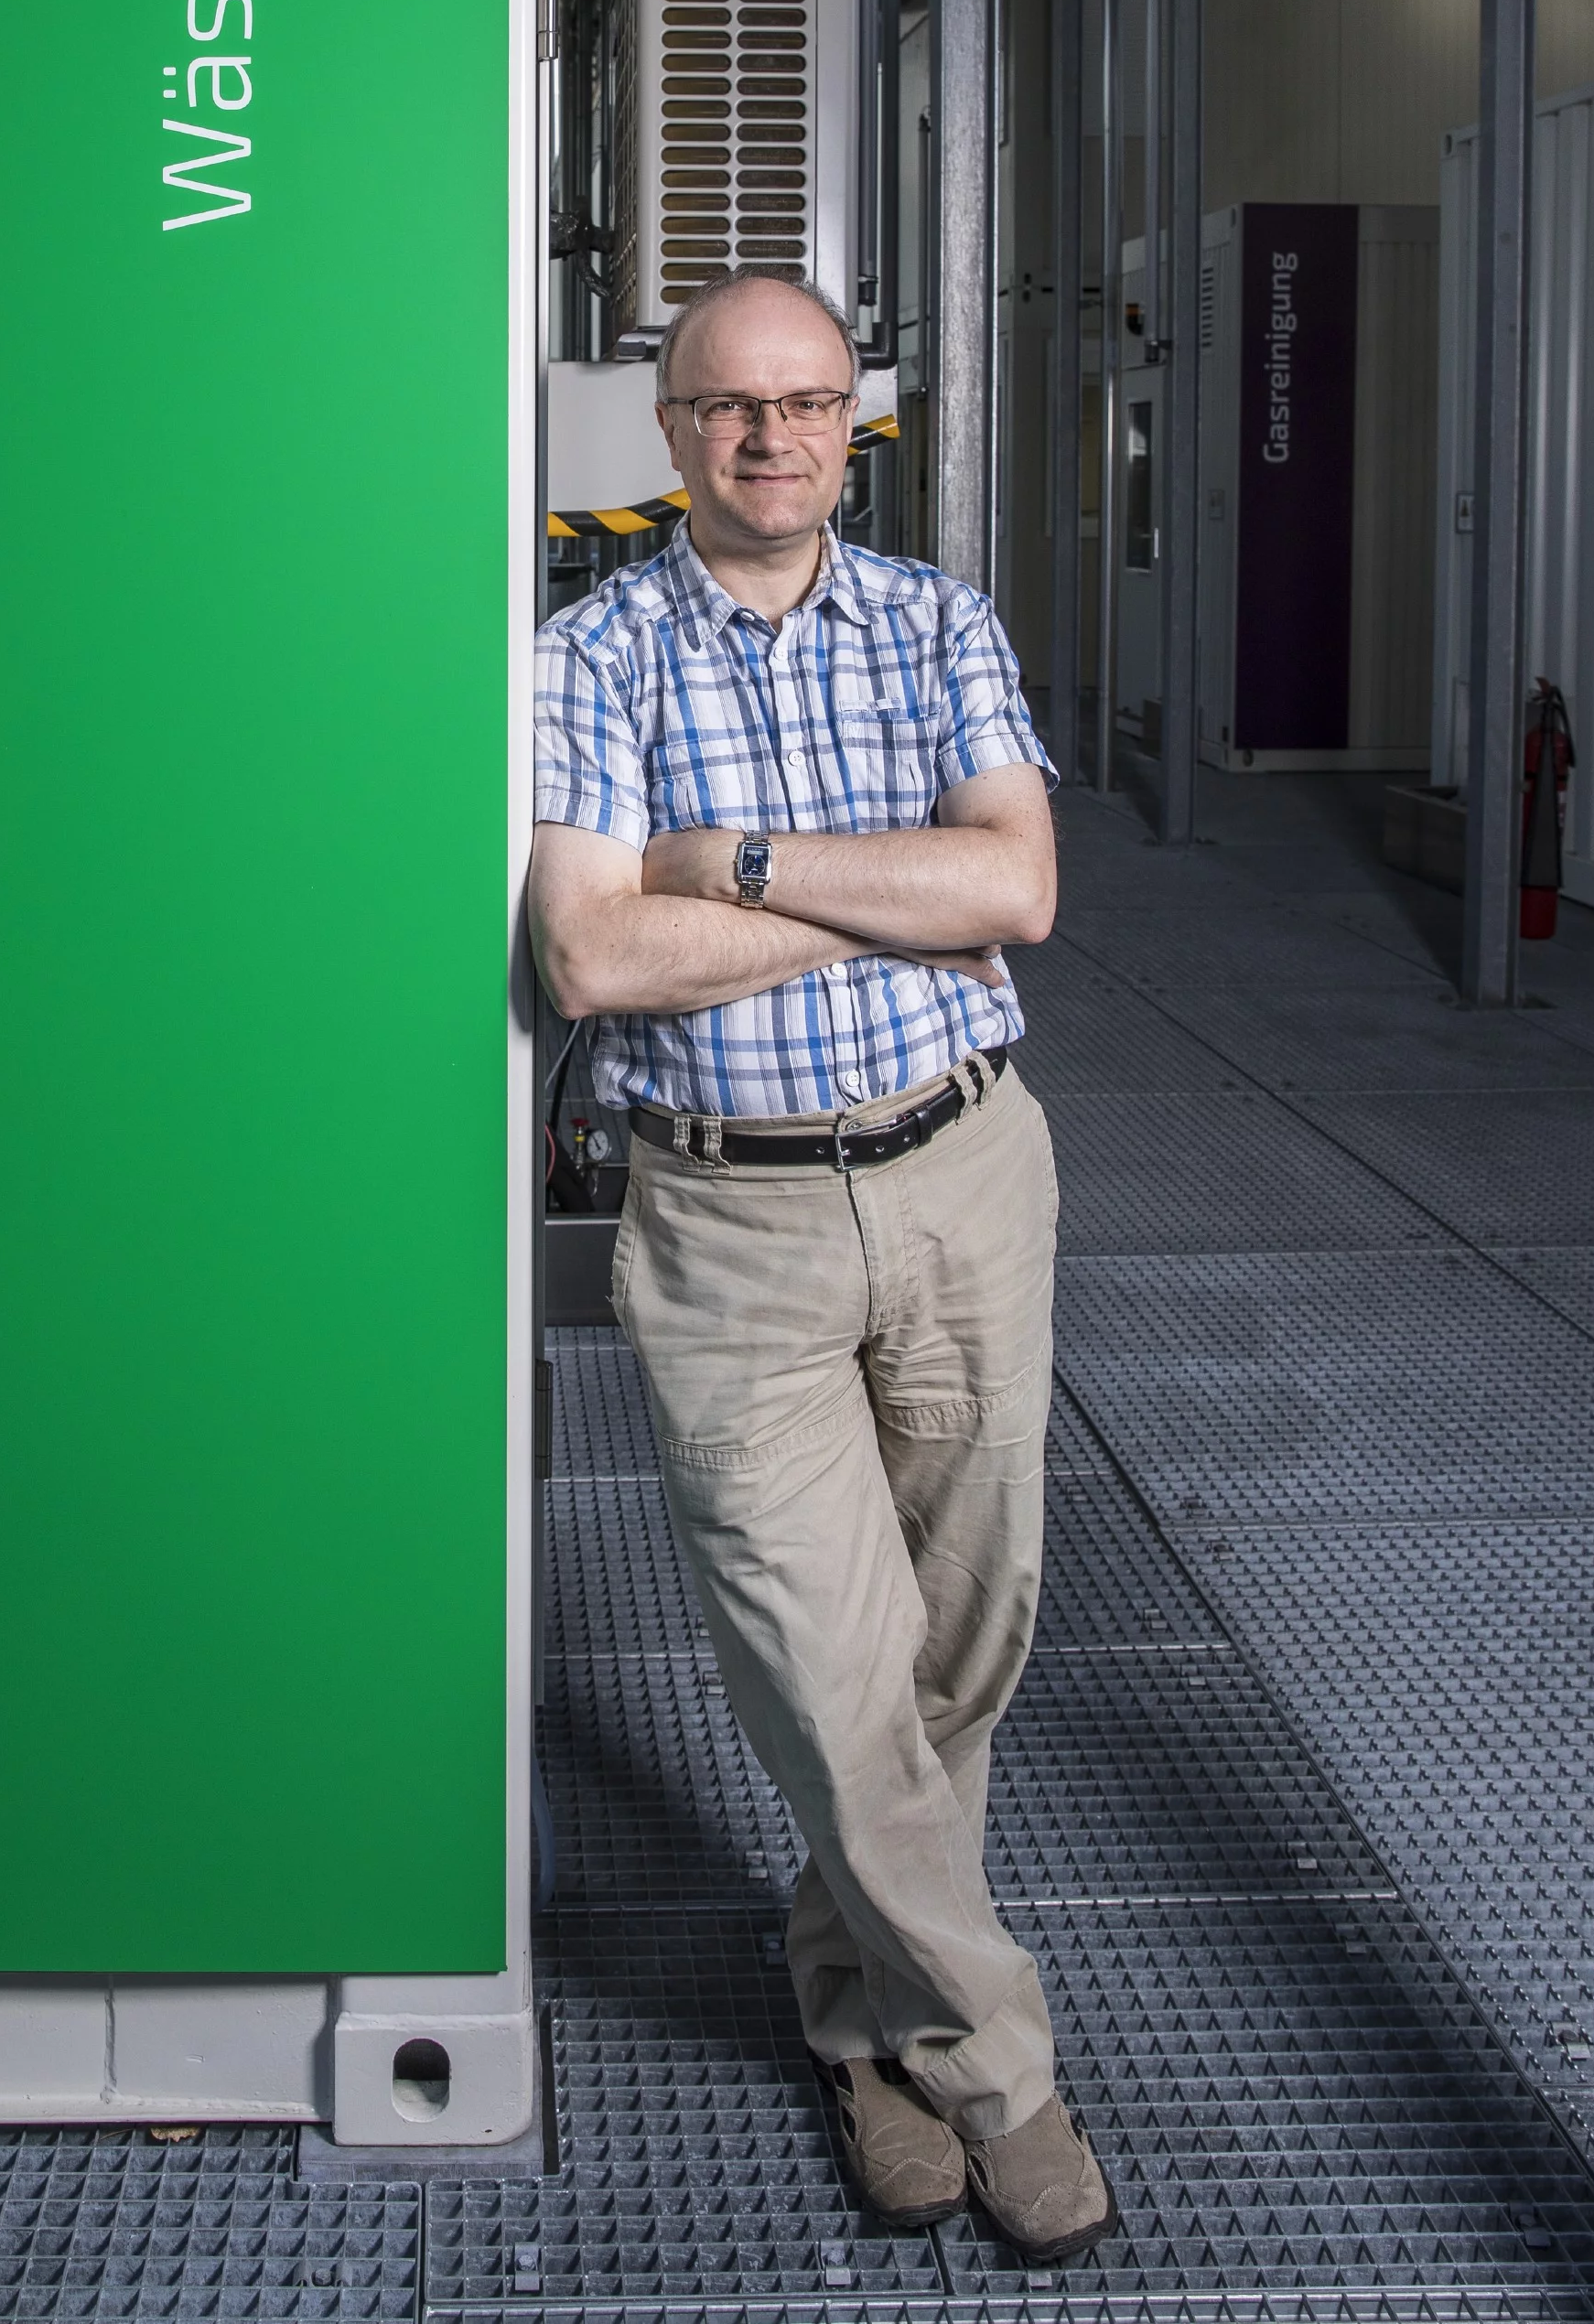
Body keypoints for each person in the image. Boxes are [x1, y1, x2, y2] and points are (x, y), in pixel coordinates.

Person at [529, 265, 1116, 2266]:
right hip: (727, 1221)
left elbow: (1016, 886)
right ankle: (999, 2071)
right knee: (824, 1664)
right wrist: (892, 904)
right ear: (669, 433)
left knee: (959, 1651)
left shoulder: (940, 621)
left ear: (851, 420)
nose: (768, 439)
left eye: (805, 404)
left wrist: (741, 867)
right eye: (725, 407)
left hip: (963, 1186)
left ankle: (858, 2020)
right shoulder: (586, 659)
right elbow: (593, 956)